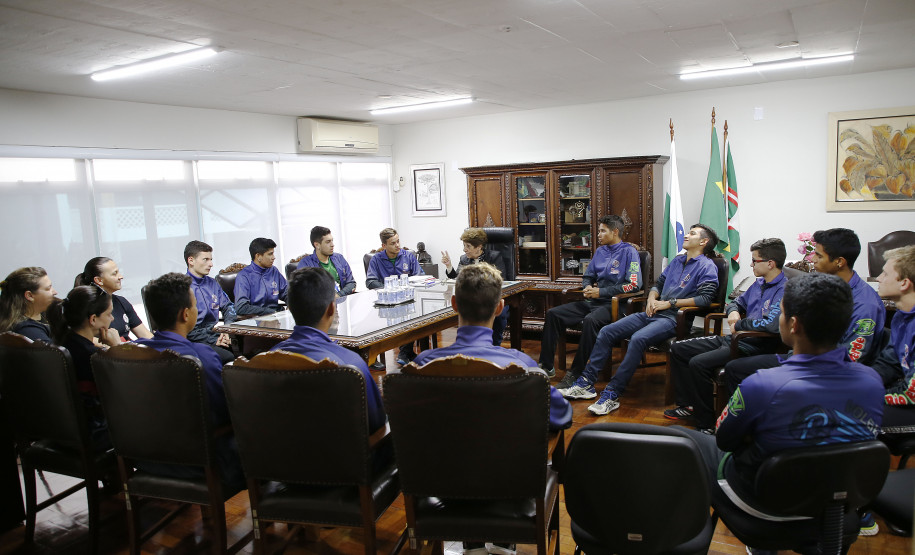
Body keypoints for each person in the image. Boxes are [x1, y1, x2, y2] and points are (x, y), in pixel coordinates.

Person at [681, 273, 883, 553]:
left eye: (782, 312)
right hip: (834, 505)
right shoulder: (873, 382)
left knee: (687, 442)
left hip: (764, 505)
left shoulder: (762, 384)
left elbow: (725, 441)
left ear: (793, 324)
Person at [410, 262, 571, 555]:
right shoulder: (522, 368)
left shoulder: (420, 366)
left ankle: (473, 546)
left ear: (454, 303)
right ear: (500, 308)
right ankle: (501, 545)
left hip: (442, 482)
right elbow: (562, 416)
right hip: (510, 485)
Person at [560, 224, 720, 416]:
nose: (686, 235)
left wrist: (669, 303)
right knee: (607, 331)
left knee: (638, 339)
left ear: (703, 242)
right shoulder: (678, 261)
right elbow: (657, 284)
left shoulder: (707, 266)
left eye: (692, 233)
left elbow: (705, 299)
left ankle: (612, 393)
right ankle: (587, 383)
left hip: (674, 319)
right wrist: (652, 298)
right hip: (652, 313)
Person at [722, 228, 885, 399]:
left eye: (819, 256)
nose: (813, 259)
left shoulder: (864, 304)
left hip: (828, 372)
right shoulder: (823, 287)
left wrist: (796, 367)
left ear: (839, 262)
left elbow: (852, 358)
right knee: (735, 369)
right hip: (803, 358)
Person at [133, 272, 244, 490]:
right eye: (195, 306)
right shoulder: (200, 357)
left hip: (145, 456)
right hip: (200, 462)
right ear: (186, 314)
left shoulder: (134, 353)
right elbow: (223, 412)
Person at [665, 238, 788, 433]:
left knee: (698, 363)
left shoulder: (784, 290)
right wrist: (733, 312)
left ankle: (705, 424)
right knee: (678, 348)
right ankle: (688, 405)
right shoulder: (759, 283)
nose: (751, 264)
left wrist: (738, 323)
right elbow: (736, 302)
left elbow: (771, 325)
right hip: (732, 339)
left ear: (770, 263)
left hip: (751, 345)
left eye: (755, 261)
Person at [271, 267, 385, 434]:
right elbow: (376, 423)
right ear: (332, 309)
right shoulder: (350, 365)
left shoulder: (268, 358)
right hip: (345, 458)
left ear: (290, 307)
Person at [541, 215, 642, 385]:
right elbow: (588, 275)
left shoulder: (629, 252)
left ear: (615, 231)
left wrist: (601, 292)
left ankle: (576, 372)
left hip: (616, 305)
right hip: (594, 302)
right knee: (553, 314)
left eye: (603, 231)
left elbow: (633, 285)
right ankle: (546, 366)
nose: (599, 234)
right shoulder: (600, 251)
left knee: (590, 321)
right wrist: (587, 286)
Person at [46, 285, 120, 447]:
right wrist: (116, 347)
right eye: (109, 314)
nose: (112, 319)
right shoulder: (91, 356)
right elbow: (123, 390)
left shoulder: (62, 344)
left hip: (62, 429)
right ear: (93, 319)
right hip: (94, 432)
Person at [440, 227, 510, 346]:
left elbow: (501, 280)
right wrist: (449, 266)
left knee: (500, 314)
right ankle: (468, 344)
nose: (464, 249)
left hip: (490, 298)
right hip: (471, 299)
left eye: (468, 246)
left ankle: (495, 345)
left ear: (479, 246)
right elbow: (457, 278)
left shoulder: (494, 257)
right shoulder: (464, 259)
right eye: (464, 246)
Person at [366, 228, 424, 364]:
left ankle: (405, 353)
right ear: (384, 246)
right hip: (387, 302)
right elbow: (370, 281)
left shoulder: (408, 256)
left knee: (412, 316)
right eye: (393, 243)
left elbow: (419, 275)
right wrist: (390, 287)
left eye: (398, 241)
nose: (397, 245)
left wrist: (405, 287)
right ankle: (406, 353)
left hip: (408, 300)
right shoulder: (376, 260)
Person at [875, 246, 915, 431]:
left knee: (845, 415)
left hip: (911, 400)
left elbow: (911, 394)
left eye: (884, 273)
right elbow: (889, 363)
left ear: (904, 283)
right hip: (906, 396)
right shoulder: (901, 316)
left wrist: (865, 395)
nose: (879, 278)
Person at [184, 240, 237, 364]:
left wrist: (226, 328)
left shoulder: (213, 283)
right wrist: (210, 339)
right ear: (191, 260)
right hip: (195, 339)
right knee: (228, 356)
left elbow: (229, 307)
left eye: (211, 259)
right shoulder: (182, 286)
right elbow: (182, 327)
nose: (211, 264)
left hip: (216, 333)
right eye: (206, 259)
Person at [76, 256, 154, 340]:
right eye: (114, 273)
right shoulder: (87, 307)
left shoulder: (121, 302)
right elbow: (88, 340)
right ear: (98, 280)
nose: (120, 277)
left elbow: (145, 334)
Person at [0, 267, 57, 342]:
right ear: (29, 296)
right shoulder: (27, 330)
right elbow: (55, 353)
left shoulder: (45, 312)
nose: (55, 292)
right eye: (48, 288)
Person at [234, 237, 288, 315]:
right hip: (257, 319)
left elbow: (287, 293)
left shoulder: (274, 271)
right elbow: (241, 307)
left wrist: (291, 305)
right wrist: (270, 312)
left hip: (278, 315)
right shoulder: (244, 276)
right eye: (270, 254)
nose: (274, 257)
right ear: (258, 256)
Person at [296, 226, 356, 296]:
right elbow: (304, 292)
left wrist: (339, 295)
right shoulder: (305, 264)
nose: (332, 245)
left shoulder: (339, 258)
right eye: (328, 242)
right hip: (320, 305)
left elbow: (351, 283)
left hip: (342, 301)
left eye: (332, 240)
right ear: (317, 245)